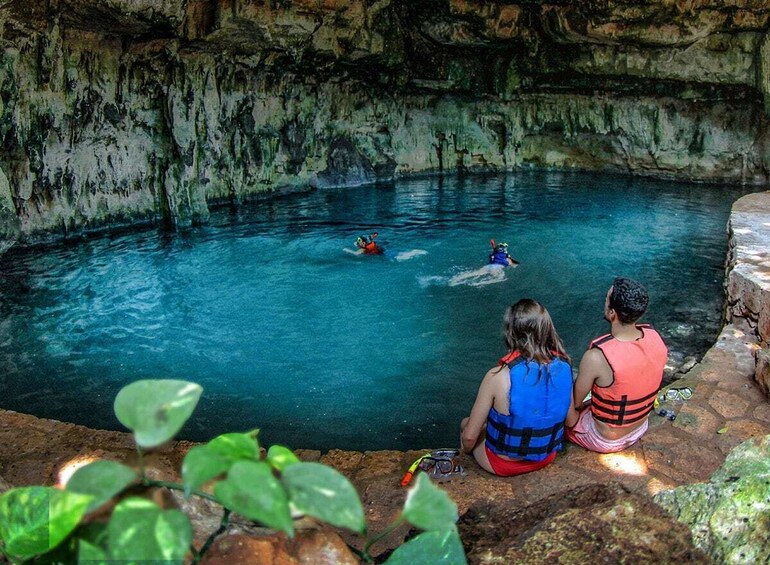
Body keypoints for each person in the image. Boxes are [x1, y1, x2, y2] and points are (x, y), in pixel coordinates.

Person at [460, 299, 573, 476]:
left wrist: (466, 453)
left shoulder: (497, 376)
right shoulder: (564, 368)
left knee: (466, 424)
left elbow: (469, 437)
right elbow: (570, 420)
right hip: (546, 456)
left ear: (510, 333)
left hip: (503, 464)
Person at [565, 277, 668, 453]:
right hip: (639, 426)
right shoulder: (655, 338)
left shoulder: (596, 357)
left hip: (605, 439)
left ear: (612, 313)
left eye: (606, 300)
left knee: (562, 383)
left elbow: (575, 403)